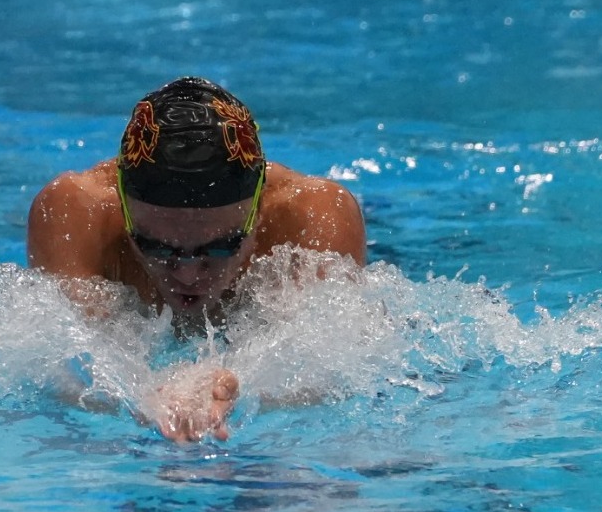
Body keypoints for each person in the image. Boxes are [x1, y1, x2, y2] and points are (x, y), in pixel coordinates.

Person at [26, 76, 367, 443]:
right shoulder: (76, 212)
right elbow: (65, 368)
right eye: (156, 247)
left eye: (220, 248)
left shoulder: (313, 216)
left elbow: (330, 371)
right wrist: (143, 396)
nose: (187, 273)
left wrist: (237, 387)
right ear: (123, 211)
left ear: (259, 211)